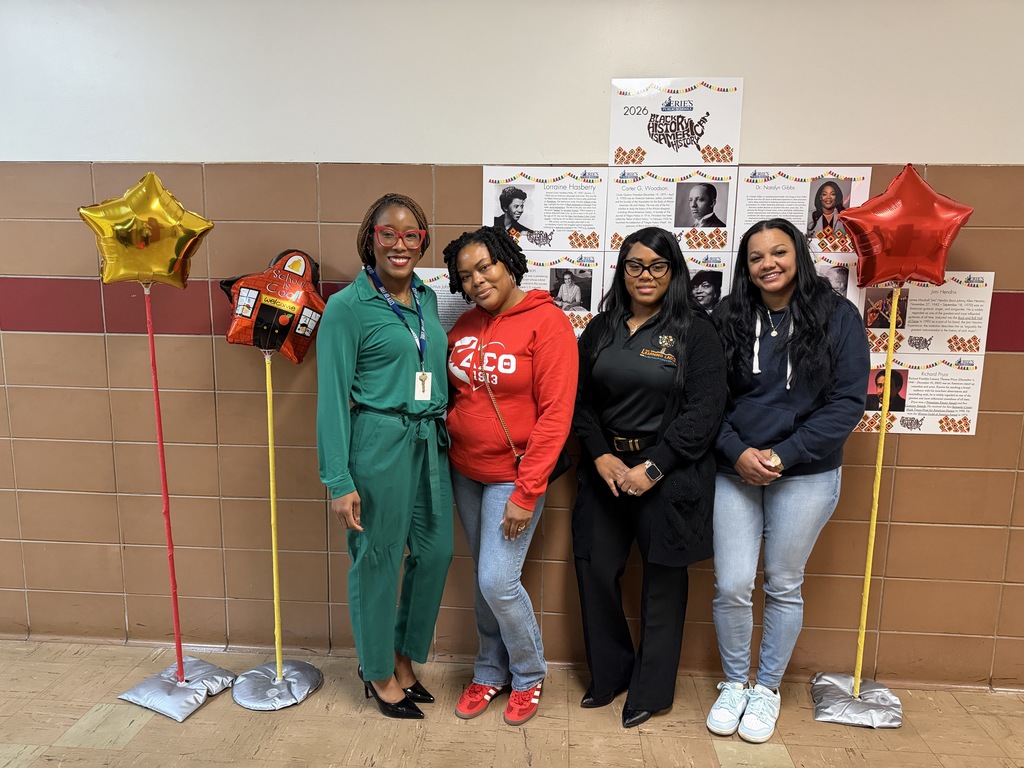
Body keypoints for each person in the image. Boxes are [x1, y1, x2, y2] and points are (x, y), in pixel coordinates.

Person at [707, 218, 869, 744]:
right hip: (735, 471)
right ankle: (734, 682)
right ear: (746, 266)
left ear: (797, 255)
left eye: (779, 252)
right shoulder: (727, 318)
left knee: (782, 583)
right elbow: (707, 400)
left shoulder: (837, 317)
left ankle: (767, 688)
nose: (768, 263)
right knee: (732, 583)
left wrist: (783, 455)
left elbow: (848, 402)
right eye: (756, 257)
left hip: (806, 474)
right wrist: (737, 452)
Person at [572, 227, 727, 729]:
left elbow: (704, 412)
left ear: (674, 272)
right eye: (636, 265)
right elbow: (579, 404)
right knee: (595, 569)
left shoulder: (695, 332)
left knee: (662, 583)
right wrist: (600, 457)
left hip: (668, 473)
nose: (646, 276)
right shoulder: (601, 329)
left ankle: (651, 690)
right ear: (622, 270)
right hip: (606, 472)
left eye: (658, 266)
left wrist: (653, 468)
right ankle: (612, 674)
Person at [316, 193, 453, 720]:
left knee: (435, 552)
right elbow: (330, 397)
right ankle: (376, 671)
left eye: (411, 234)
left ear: (422, 241)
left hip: (429, 442)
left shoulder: (426, 297)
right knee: (375, 560)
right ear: (370, 238)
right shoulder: (348, 307)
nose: (400, 243)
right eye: (387, 233)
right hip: (378, 442)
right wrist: (338, 480)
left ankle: (402, 654)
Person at [443, 226, 577, 726]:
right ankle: (488, 670)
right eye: (466, 275)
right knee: (484, 580)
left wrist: (526, 491)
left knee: (498, 581)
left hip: (512, 478)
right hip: (464, 471)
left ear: (507, 261)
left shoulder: (548, 322)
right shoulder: (464, 327)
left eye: (485, 267)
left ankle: (528, 673)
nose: (477, 281)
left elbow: (556, 417)